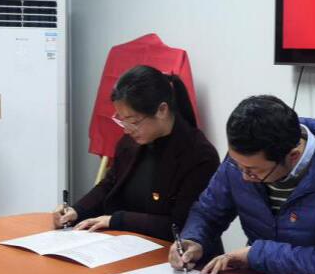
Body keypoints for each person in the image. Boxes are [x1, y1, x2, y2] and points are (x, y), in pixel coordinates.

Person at [169, 95, 315, 274]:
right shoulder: (245, 159)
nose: (244, 177)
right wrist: (194, 239)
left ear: (293, 156)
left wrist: (256, 254)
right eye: (237, 164)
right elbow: (208, 212)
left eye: (252, 171)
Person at [53, 65, 221, 249]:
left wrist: (117, 220)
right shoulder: (131, 142)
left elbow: (179, 226)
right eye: (121, 120)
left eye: (133, 121)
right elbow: (110, 184)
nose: (126, 130)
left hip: (174, 255)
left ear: (162, 110)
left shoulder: (199, 156)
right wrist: (76, 210)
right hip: (127, 245)